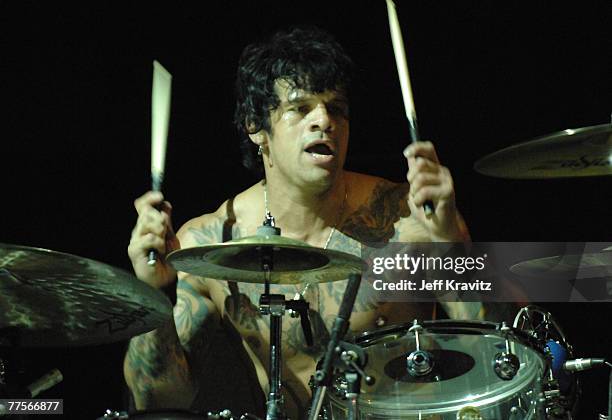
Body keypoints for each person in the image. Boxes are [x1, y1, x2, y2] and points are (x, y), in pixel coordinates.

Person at [124, 26, 472, 418]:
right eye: (301, 108)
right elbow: (159, 401)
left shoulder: (408, 217)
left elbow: (512, 337)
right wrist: (149, 294)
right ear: (256, 129)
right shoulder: (209, 243)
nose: (324, 120)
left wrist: (451, 242)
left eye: (336, 107)